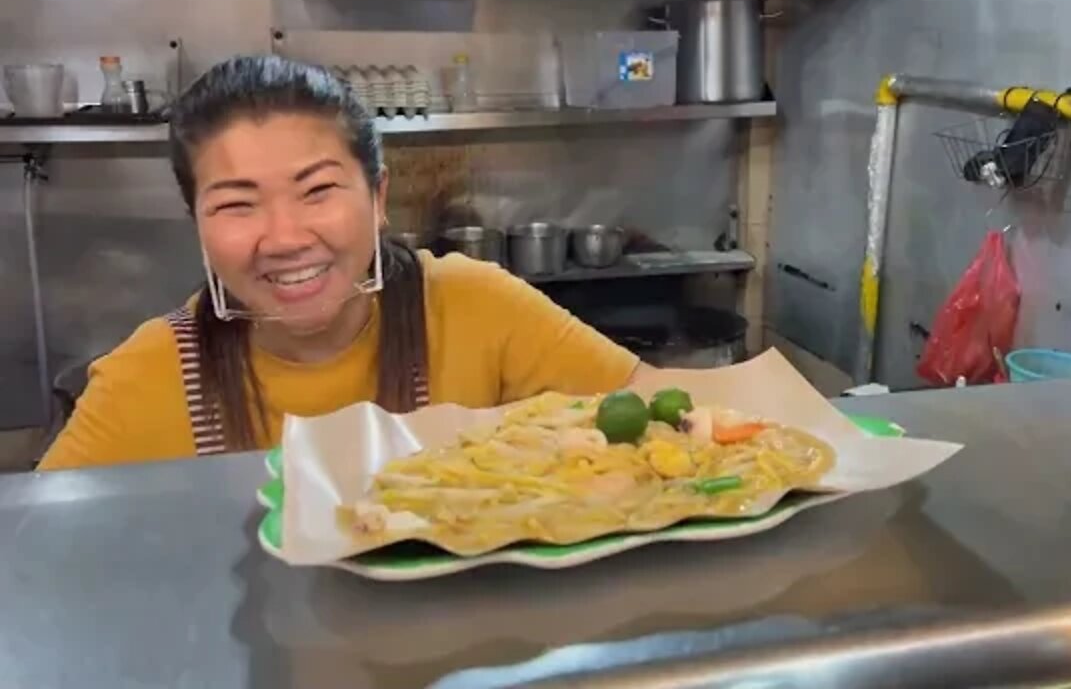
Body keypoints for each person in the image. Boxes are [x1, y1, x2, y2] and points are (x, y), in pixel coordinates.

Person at [38, 56, 642, 471]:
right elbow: (34, 557)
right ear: (196, 219)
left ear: (378, 197)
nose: (284, 237)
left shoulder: (473, 306)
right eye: (237, 204)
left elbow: (667, 414)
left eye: (317, 190)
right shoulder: (151, 373)